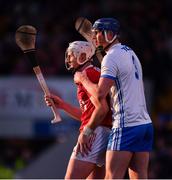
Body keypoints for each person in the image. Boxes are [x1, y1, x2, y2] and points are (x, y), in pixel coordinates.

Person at [74, 18, 154, 179]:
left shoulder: (111, 57)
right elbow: (112, 71)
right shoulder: (129, 51)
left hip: (126, 126)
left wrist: (83, 79)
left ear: (109, 34)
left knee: (111, 177)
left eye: (97, 33)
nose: (94, 37)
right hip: (144, 124)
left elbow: (99, 94)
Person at [44, 41, 112, 179]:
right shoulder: (90, 73)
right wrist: (63, 105)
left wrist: (87, 131)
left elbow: (102, 108)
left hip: (94, 133)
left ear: (82, 56)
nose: (68, 59)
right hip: (102, 131)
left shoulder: (88, 74)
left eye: (70, 55)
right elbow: (90, 114)